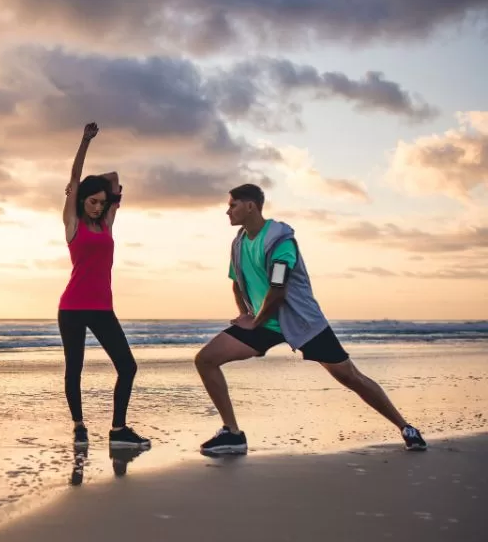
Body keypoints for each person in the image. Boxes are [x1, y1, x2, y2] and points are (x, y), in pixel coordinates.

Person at [194, 183, 428, 455]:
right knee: (206, 359)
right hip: (264, 321)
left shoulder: (281, 241)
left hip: (301, 321)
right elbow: (237, 282)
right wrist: (245, 314)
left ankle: (405, 428)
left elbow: (278, 288)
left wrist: (255, 321)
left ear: (251, 206)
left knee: (349, 376)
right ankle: (233, 435)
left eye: (232, 204)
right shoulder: (238, 244)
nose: (227, 211)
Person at [59, 122, 150, 450]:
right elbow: (73, 179)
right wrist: (85, 141)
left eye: (102, 202)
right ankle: (79, 425)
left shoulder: (107, 225)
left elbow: (113, 178)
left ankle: (118, 429)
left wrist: (101, 186)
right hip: (71, 308)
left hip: (102, 309)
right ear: (82, 200)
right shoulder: (73, 225)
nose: (98, 206)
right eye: (92, 201)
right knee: (75, 368)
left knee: (127, 366)